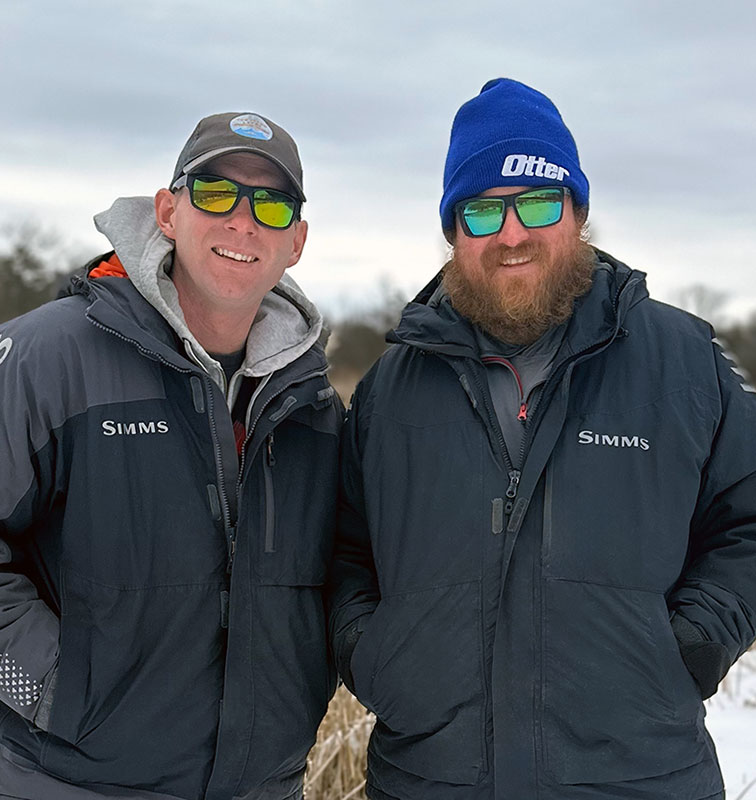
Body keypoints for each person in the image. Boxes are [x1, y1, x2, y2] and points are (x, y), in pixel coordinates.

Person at [328, 78, 756, 800]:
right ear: (453, 230)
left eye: (537, 202)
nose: (513, 233)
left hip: (643, 780)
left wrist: (688, 646)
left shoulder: (685, 364)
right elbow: (344, 551)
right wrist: (373, 656)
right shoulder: (389, 390)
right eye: (483, 210)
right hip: (428, 782)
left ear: (578, 213)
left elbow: (747, 521)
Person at [0, 111, 341, 799]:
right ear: (167, 211)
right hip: (69, 781)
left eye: (272, 205)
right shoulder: (48, 357)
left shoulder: (315, 411)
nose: (243, 222)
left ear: (297, 241)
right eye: (216, 193)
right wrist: (44, 685)